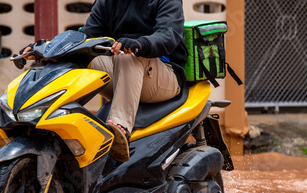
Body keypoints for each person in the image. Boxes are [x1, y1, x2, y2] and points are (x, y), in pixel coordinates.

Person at [23, 0, 188, 162]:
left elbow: (168, 35)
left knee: (128, 56)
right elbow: (86, 36)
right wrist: (47, 49)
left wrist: (140, 44)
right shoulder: (106, 2)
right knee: (76, 56)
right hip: (127, 73)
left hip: (164, 77)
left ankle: (120, 128)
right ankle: (53, 119)